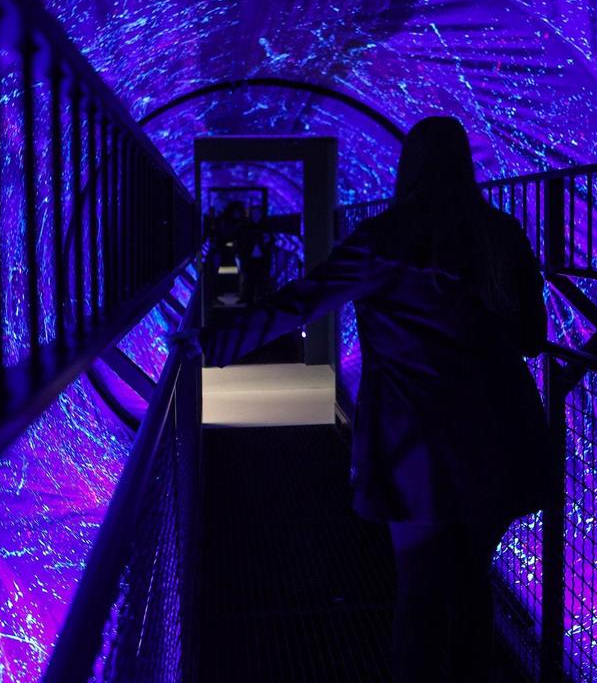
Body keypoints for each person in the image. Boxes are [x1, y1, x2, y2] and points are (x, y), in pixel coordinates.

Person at [198, 116, 547, 683]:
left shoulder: (383, 239)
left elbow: (300, 303)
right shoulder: (501, 234)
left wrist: (212, 345)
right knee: (471, 583)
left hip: (417, 451)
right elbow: (532, 338)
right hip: (499, 443)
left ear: (408, 168)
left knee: (420, 594)